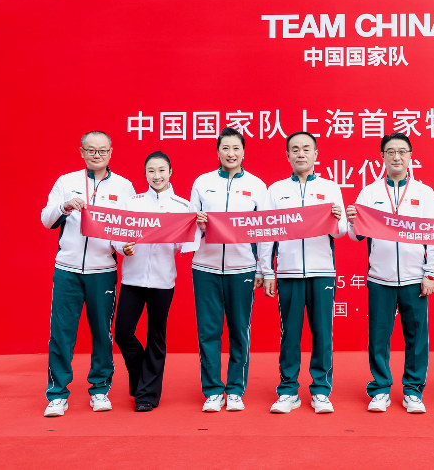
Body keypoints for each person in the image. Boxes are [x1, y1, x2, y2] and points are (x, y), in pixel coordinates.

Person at [41, 131, 136, 417]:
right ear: (82, 152)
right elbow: (46, 219)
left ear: (111, 152)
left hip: (102, 271)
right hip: (67, 270)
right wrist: (65, 206)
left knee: (102, 334)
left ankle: (99, 390)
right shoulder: (66, 182)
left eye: (102, 150)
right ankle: (57, 394)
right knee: (61, 333)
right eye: (91, 150)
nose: (97, 155)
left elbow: (124, 229)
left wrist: (124, 247)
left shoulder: (124, 187)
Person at [346, 132, 434, 414]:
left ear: (411, 156)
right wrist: (352, 222)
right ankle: (380, 389)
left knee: (416, 337)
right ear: (382, 157)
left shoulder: (424, 193)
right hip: (380, 278)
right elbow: (356, 235)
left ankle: (413, 391)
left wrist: (430, 273)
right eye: (390, 152)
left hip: (415, 277)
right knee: (378, 337)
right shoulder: (370, 192)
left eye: (402, 151)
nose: (396, 157)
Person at [258, 132, 347, 414]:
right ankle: (288, 391)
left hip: (322, 271)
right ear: (287, 155)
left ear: (316, 154)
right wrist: (266, 271)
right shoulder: (276, 190)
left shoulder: (330, 188)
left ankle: (321, 390)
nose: (300, 154)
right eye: (295, 149)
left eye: (306, 149)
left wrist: (337, 219)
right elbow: (266, 232)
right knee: (290, 334)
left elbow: (342, 231)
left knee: (322, 333)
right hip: (289, 272)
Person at [189, 127, 267, 412]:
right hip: (205, 267)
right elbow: (188, 227)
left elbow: (265, 232)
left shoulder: (257, 186)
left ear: (244, 152)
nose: (231, 153)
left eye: (236, 148)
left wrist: (264, 270)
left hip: (242, 268)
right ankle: (212, 390)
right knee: (208, 331)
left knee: (239, 331)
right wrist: (197, 225)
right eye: (225, 148)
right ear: (217, 152)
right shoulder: (202, 182)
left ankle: (234, 390)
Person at [113, 151, 194, 412]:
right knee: (122, 333)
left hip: (163, 280)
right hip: (133, 278)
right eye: (151, 171)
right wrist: (122, 247)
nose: (156, 176)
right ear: (145, 173)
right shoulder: (132, 203)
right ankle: (142, 379)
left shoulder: (182, 207)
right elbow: (117, 233)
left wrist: (186, 232)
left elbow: (186, 245)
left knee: (156, 336)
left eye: (161, 170)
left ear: (170, 172)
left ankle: (147, 395)